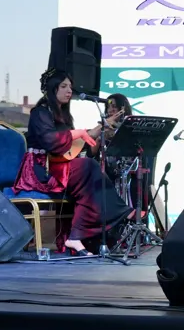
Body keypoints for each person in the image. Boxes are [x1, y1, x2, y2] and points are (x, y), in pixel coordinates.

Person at [13, 69, 130, 256]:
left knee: (90, 188)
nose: (69, 91)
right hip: (40, 170)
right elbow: (51, 141)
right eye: (64, 86)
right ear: (52, 89)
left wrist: (100, 132)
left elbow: (76, 149)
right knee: (88, 168)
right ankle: (120, 212)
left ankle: (77, 237)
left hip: (60, 166)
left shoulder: (64, 115)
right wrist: (81, 132)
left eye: (70, 87)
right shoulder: (40, 112)